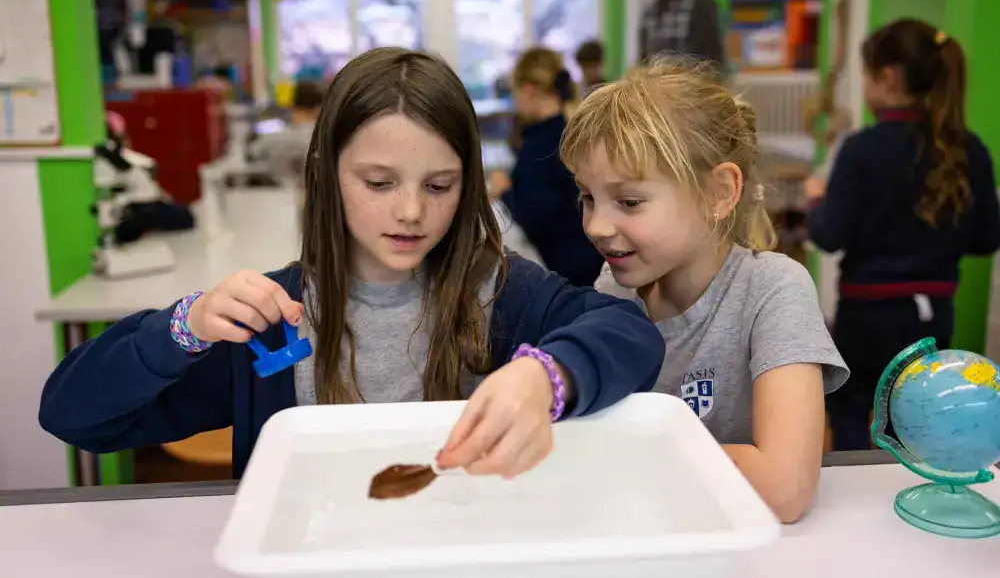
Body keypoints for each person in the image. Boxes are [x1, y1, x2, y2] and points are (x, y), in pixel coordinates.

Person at [38, 48, 666, 479]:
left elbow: (629, 334)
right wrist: (183, 327)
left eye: (441, 185)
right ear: (326, 176)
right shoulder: (273, 322)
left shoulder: (500, 295)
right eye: (379, 181)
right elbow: (73, 414)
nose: (412, 211)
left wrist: (545, 378)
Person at [560, 62, 849, 523]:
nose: (596, 225)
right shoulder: (615, 284)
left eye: (629, 201)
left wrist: (627, 463)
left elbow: (785, 487)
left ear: (719, 192)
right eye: (587, 197)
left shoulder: (772, 290)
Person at [804, 19, 1000, 452]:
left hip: (866, 316)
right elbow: (987, 238)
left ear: (888, 76)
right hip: (933, 316)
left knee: (852, 407)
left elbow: (830, 235)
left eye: (868, 76)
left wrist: (815, 202)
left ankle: (858, 495)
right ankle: (906, 491)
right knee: (915, 412)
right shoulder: (969, 149)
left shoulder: (861, 150)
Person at [489, 47, 605, 286]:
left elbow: (535, 215)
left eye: (515, 93)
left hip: (569, 271)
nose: (516, 103)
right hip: (586, 261)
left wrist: (504, 190)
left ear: (529, 90)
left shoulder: (541, 145)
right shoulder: (567, 131)